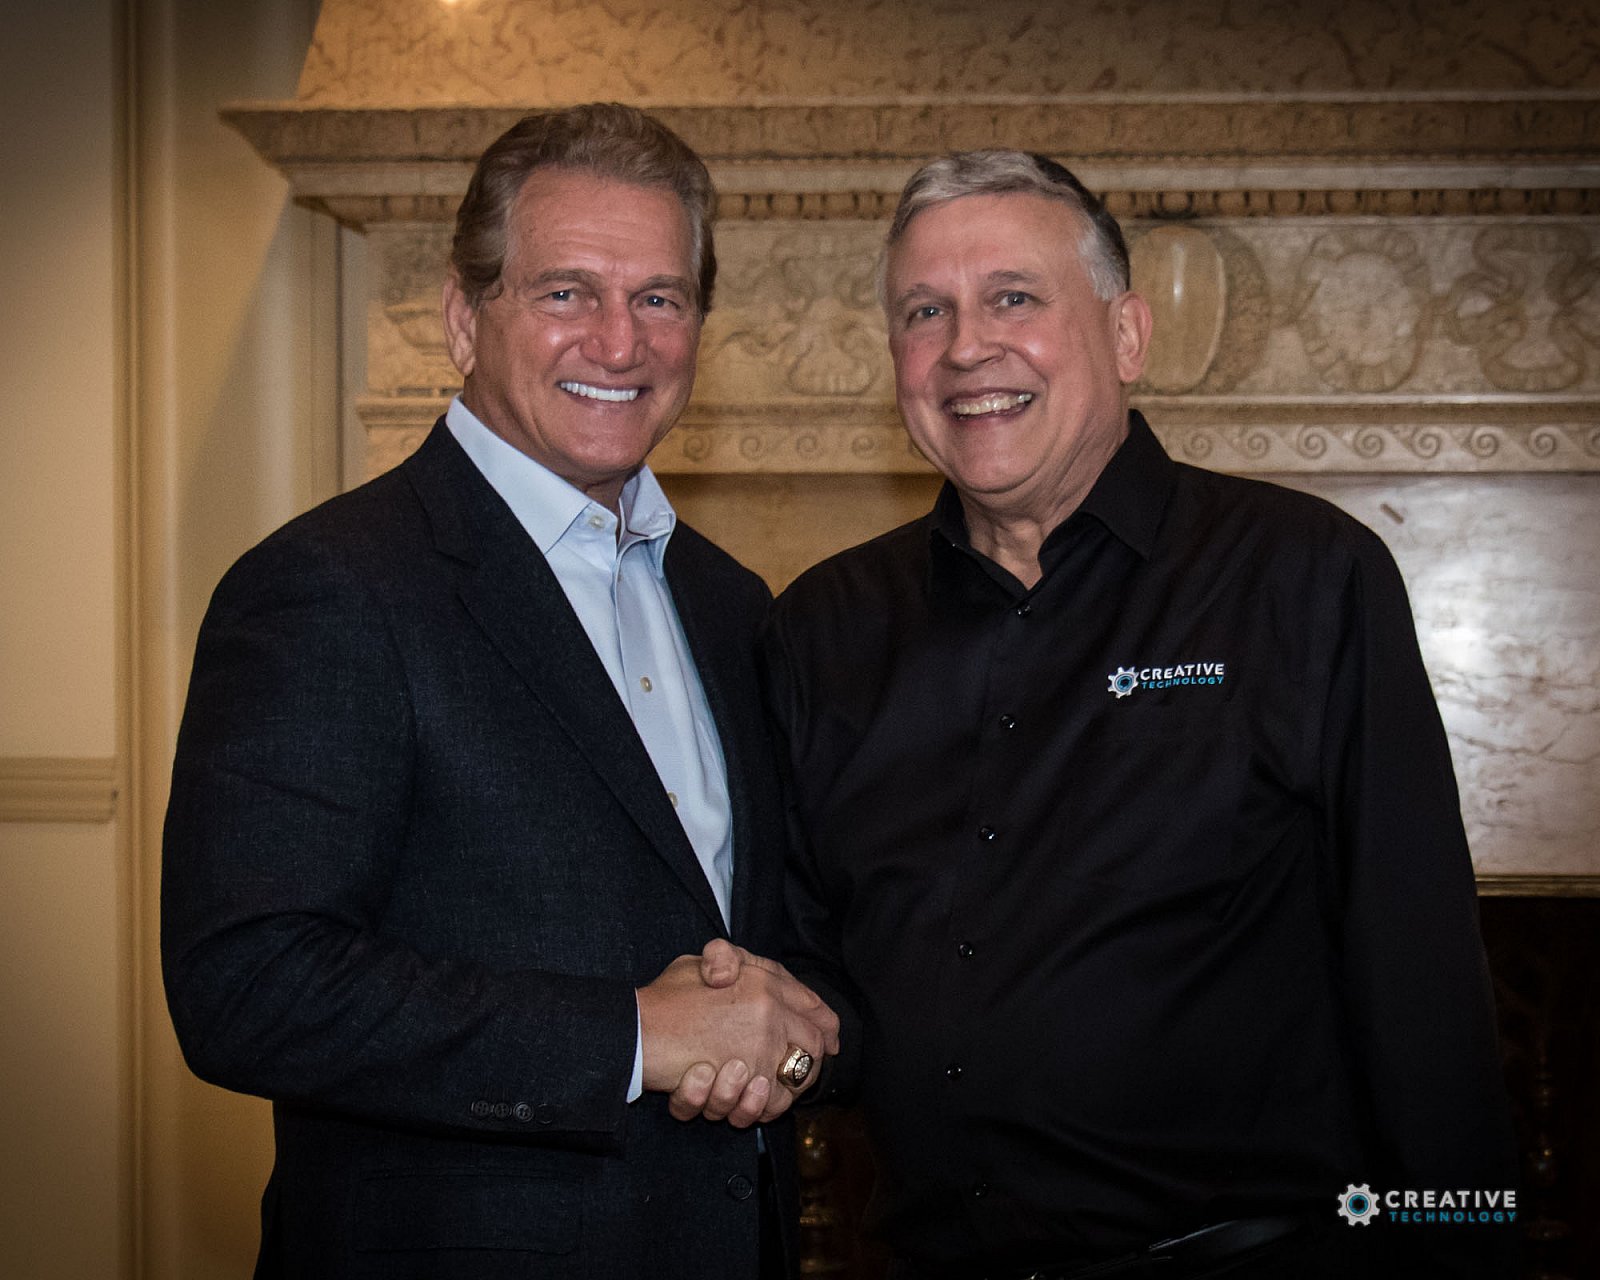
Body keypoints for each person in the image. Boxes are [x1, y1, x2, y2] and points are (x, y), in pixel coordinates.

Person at [753, 151, 1520, 1277]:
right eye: (926, 311)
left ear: (1125, 335)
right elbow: (810, 963)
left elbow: (1423, 994)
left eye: (1014, 297)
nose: (966, 347)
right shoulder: (822, 627)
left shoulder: (1304, 577)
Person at [161, 103, 837, 1280]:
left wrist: (797, 1030)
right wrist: (633, 1035)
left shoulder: (729, 600)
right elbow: (248, 981)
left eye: (660, 297)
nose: (619, 341)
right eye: (566, 291)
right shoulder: (330, 584)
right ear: (463, 317)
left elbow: (756, 936)